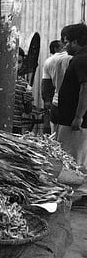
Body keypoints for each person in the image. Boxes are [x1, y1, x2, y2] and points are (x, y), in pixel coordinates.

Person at [57, 23, 87, 168]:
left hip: (75, 123)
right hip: (74, 121)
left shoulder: (82, 59)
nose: (65, 47)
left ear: (75, 42)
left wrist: (78, 116)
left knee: (72, 163)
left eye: (67, 42)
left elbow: (85, 88)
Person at [41, 39, 73, 133]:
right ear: (56, 48)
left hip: (56, 102)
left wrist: (47, 102)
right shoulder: (72, 58)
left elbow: (46, 85)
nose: (65, 47)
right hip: (72, 104)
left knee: (54, 134)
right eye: (62, 46)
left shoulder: (48, 61)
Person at [13, 48, 33, 134]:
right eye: (14, 61)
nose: (17, 65)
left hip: (16, 126)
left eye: (19, 62)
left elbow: (28, 111)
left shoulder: (24, 84)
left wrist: (28, 100)